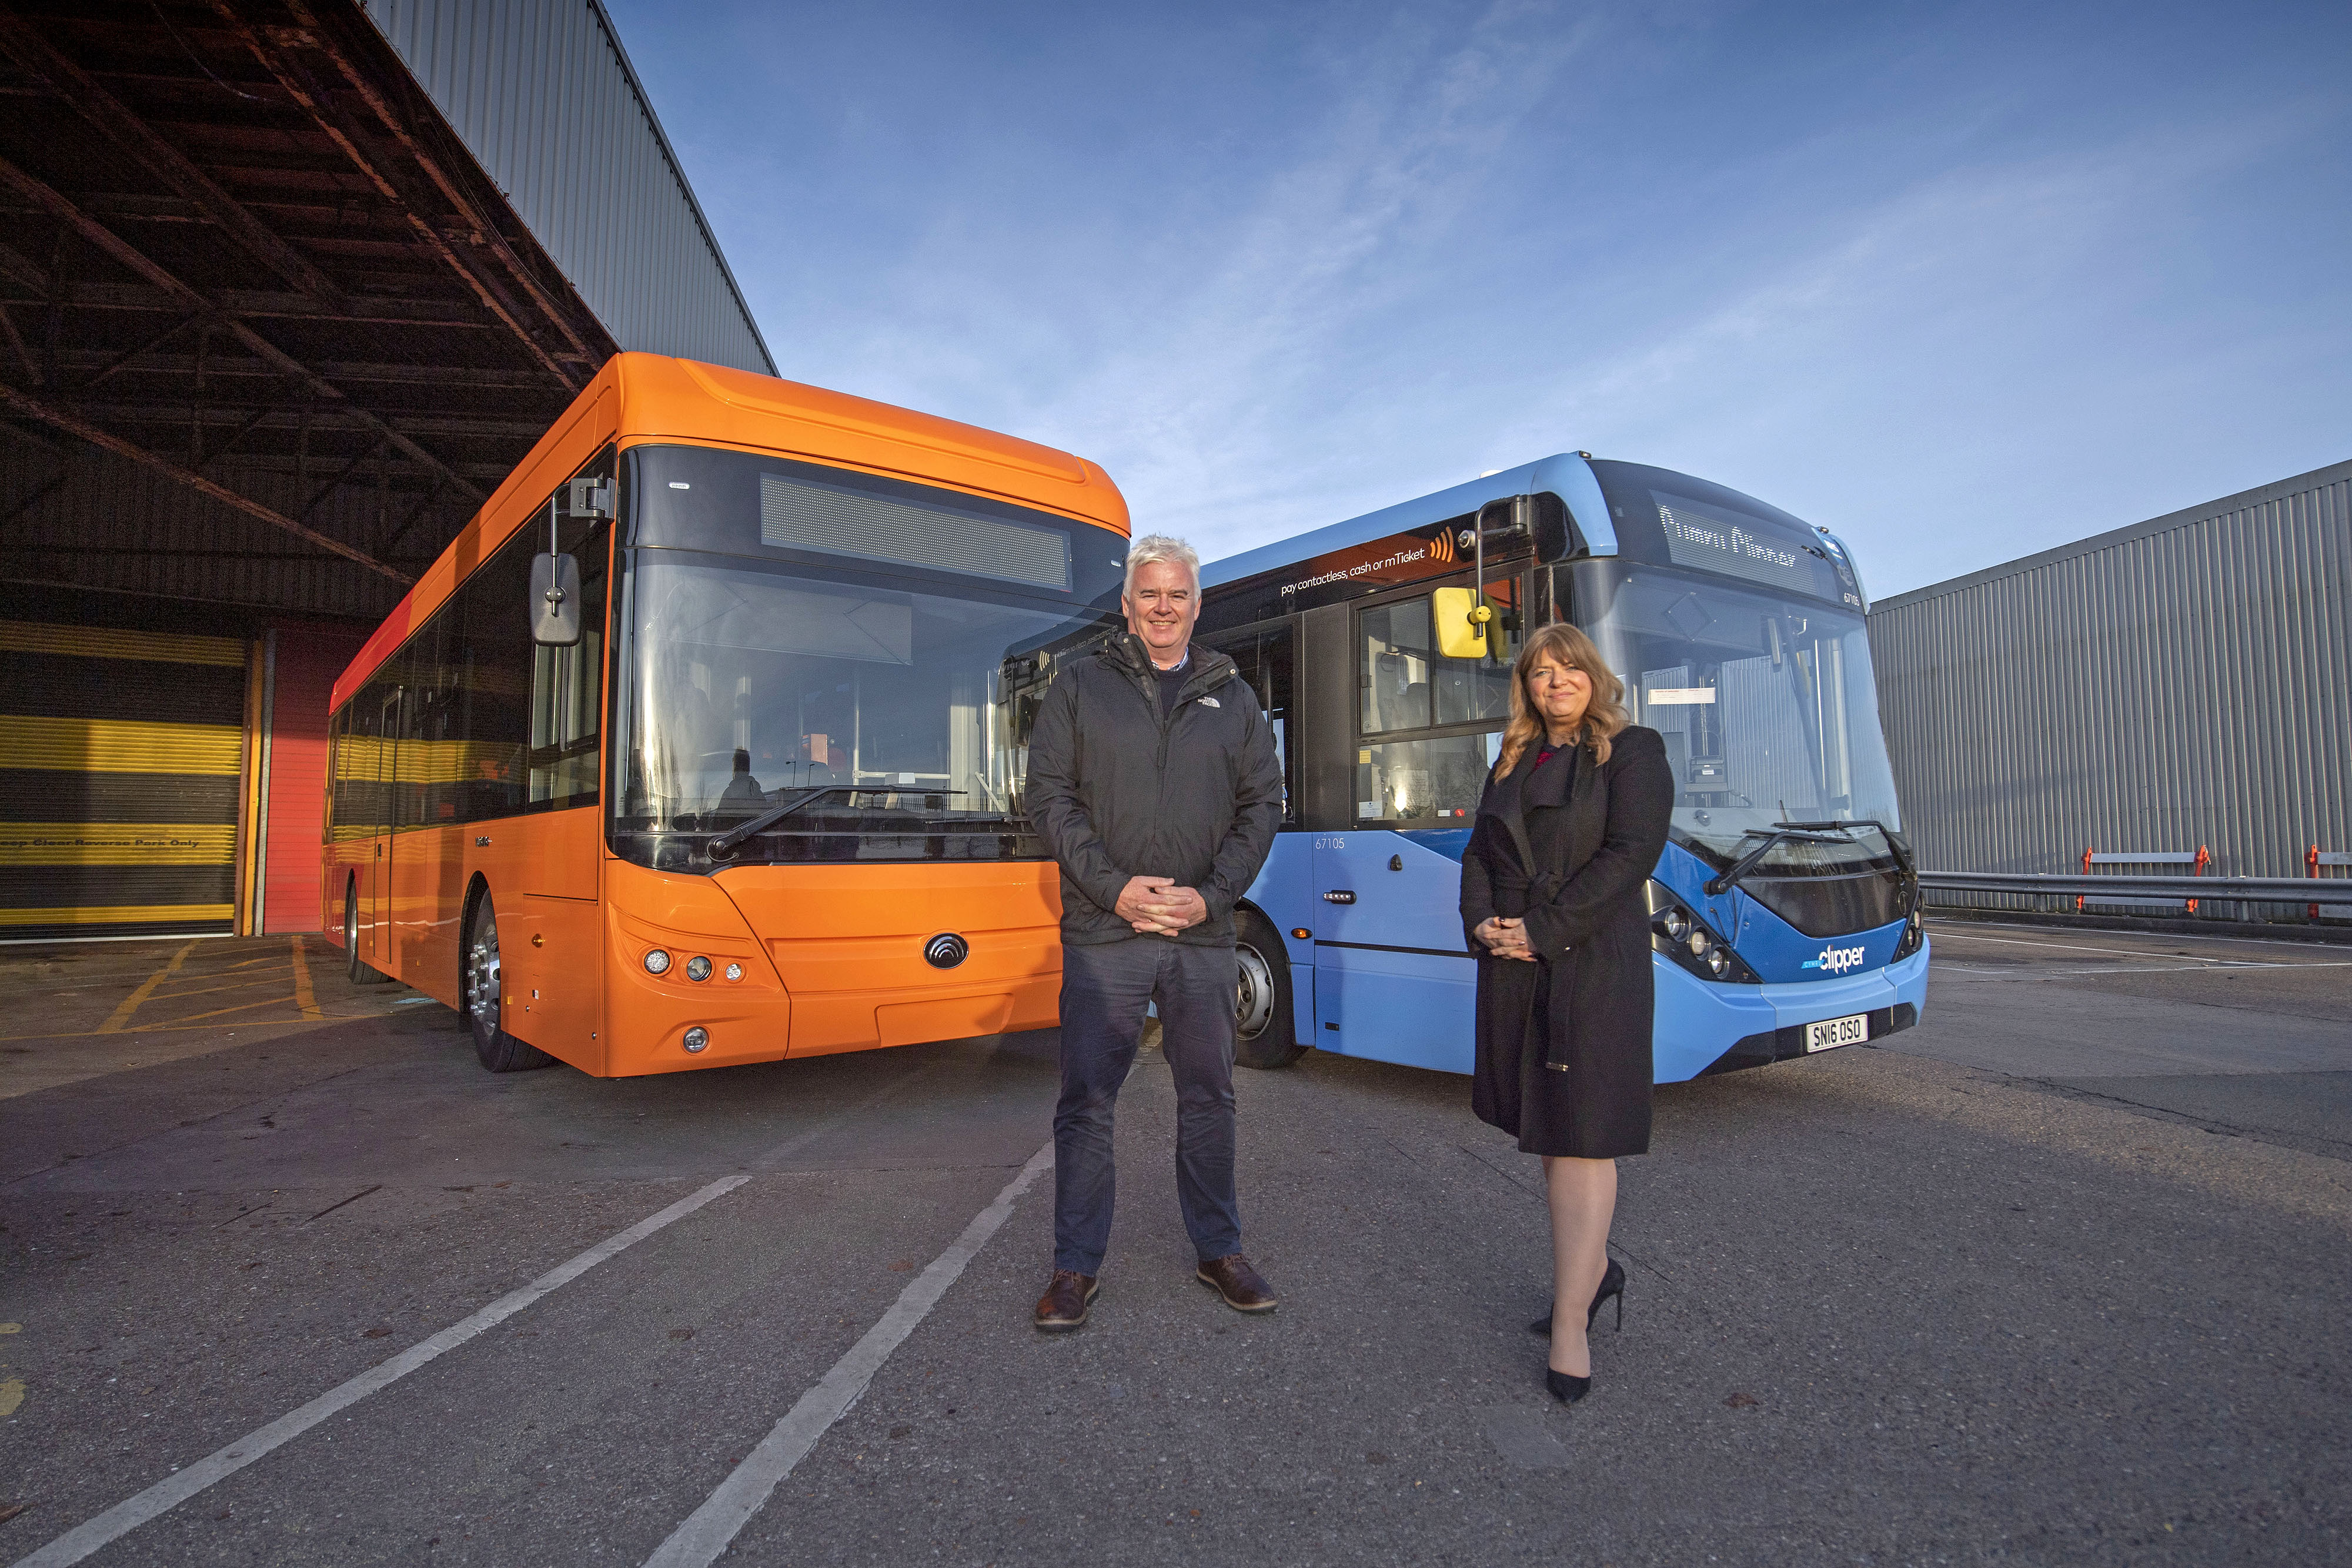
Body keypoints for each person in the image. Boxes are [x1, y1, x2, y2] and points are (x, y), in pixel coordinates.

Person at [1025, 534, 1287, 1332]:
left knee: (1209, 1096)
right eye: (1150, 594)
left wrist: (1211, 899)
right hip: (1105, 934)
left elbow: (1262, 807)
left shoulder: (1233, 697)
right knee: (1087, 1101)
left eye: (1177, 594)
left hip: (1200, 938)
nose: (1164, 607)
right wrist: (1115, 890)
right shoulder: (1078, 687)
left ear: (1197, 607)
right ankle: (1075, 1267)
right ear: (1128, 606)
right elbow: (1050, 800)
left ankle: (1219, 1250)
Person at [1459, 621, 1672, 1402]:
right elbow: (1480, 853)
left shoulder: (1633, 751)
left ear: (1594, 675)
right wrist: (1482, 923)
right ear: (1526, 686)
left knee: (1583, 1138)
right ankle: (1594, 1272)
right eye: (1541, 672)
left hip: (1591, 964)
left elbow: (1630, 855)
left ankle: (1571, 1322)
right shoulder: (1513, 758)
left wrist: (1541, 930)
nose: (1557, 682)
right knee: (1551, 1132)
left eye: (1569, 668)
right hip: (1517, 965)